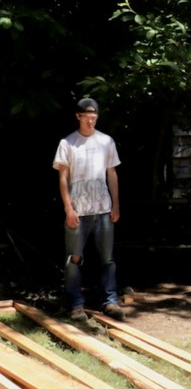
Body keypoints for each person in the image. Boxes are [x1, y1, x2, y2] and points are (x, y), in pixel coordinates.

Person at [52, 97, 124, 322]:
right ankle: (75, 305)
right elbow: (63, 177)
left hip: (103, 208)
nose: (91, 122)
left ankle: (110, 301)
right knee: (74, 258)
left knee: (107, 258)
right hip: (77, 210)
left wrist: (116, 204)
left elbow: (112, 173)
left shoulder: (106, 141)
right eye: (87, 118)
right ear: (78, 116)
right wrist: (68, 208)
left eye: (94, 118)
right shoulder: (68, 143)